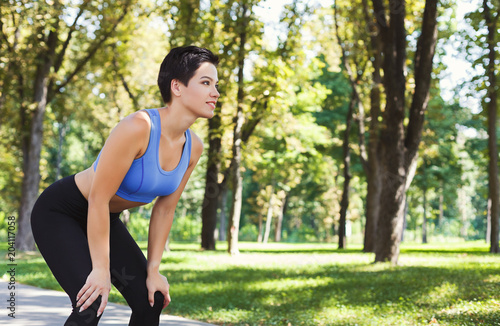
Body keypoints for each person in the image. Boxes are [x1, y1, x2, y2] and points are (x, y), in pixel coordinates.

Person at [30, 46, 220, 326]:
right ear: (177, 87)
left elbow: (165, 210)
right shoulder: (139, 127)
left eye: (216, 85)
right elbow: (97, 199)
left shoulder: (193, 147)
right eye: (206, 83)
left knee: (150, 299)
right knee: (90, 302)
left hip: (104, 217)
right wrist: (100, 269)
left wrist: (154, 269)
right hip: (61, 212)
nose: (215, 93)